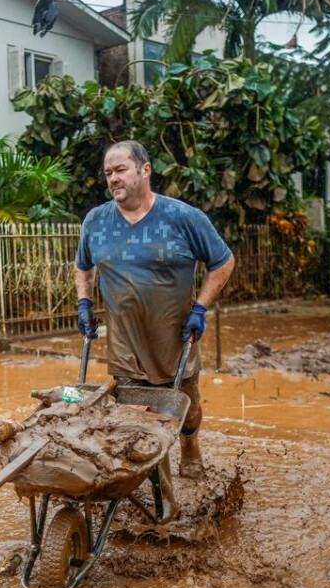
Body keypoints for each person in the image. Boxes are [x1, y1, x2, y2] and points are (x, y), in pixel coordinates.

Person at [74, 140, 235, 479]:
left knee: (186, 408)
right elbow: (83, 266)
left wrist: (200, 308)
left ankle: (190, 447)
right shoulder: (96, 221)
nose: (113, 179)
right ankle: (154, 476)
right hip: (125, 343)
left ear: (145, 170)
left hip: (175, 337)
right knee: (135, 414)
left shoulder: (183, 218)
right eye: (108, 173)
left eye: (120, 170)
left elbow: (223, 262)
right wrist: (84, 302)